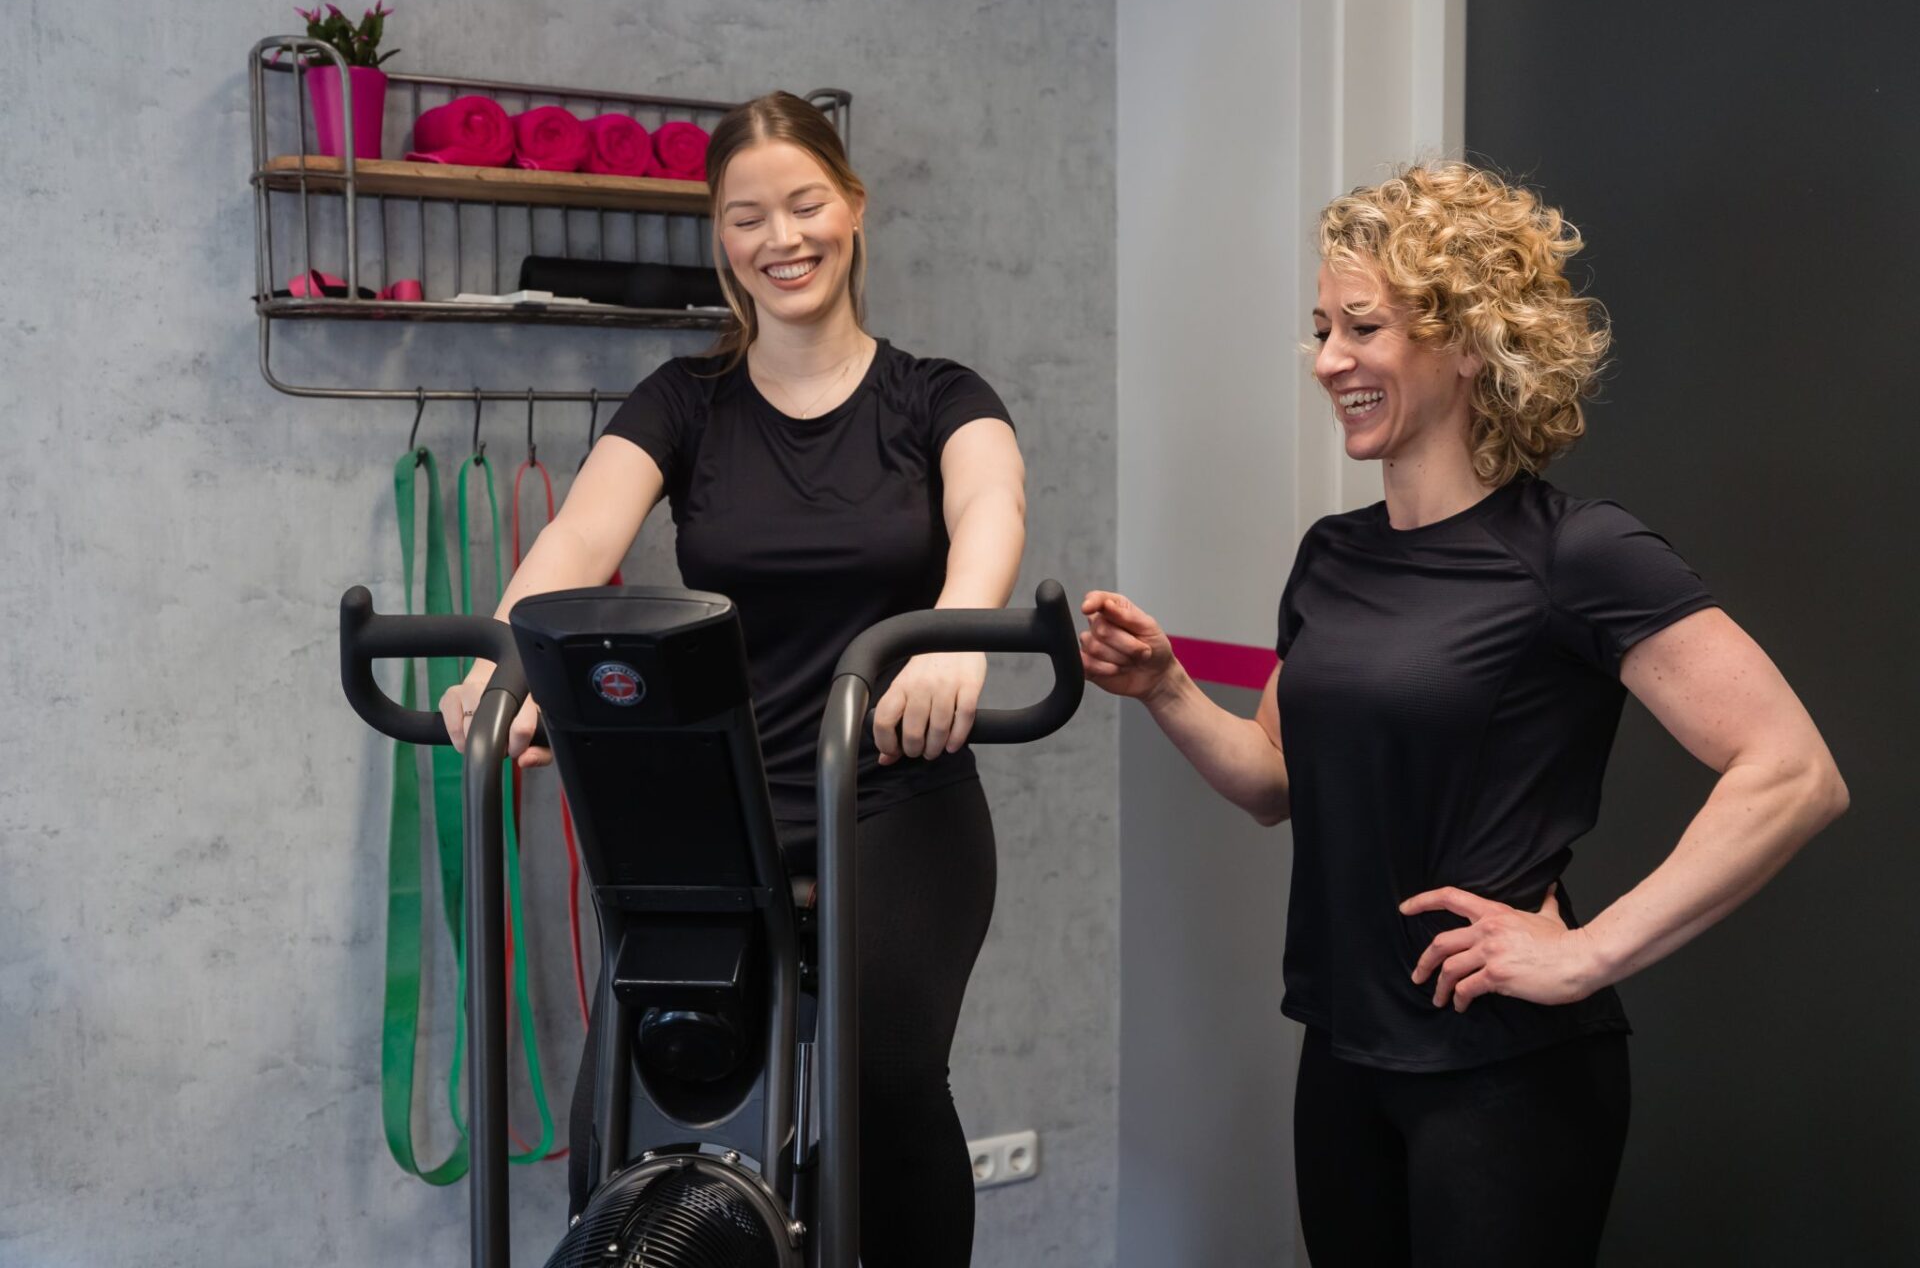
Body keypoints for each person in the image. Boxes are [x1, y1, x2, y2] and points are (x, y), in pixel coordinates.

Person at [1079, 161, 1848, 1266]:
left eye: (1363, 326)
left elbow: (1792, 769)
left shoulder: (1574, 553)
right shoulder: (1331, 556)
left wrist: (1587, 953)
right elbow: (1274, 780)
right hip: (1342, 1051)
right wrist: (1165, 687)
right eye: (1320, 328)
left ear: (1470, 340)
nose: (1329, 358)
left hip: (1504, 1077)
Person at [440, 91, 1026, 1267]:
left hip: (893, 799)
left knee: (883, 1075)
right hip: (721, 819)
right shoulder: (684, 402)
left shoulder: (938, 397)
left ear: (852, 209)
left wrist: (960, 633)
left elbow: (991, 507)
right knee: (634, 1094)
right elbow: (574, 542)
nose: (781, 237)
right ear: (721, 234)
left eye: (805, 203)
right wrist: (494, 660)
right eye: (747, 215)